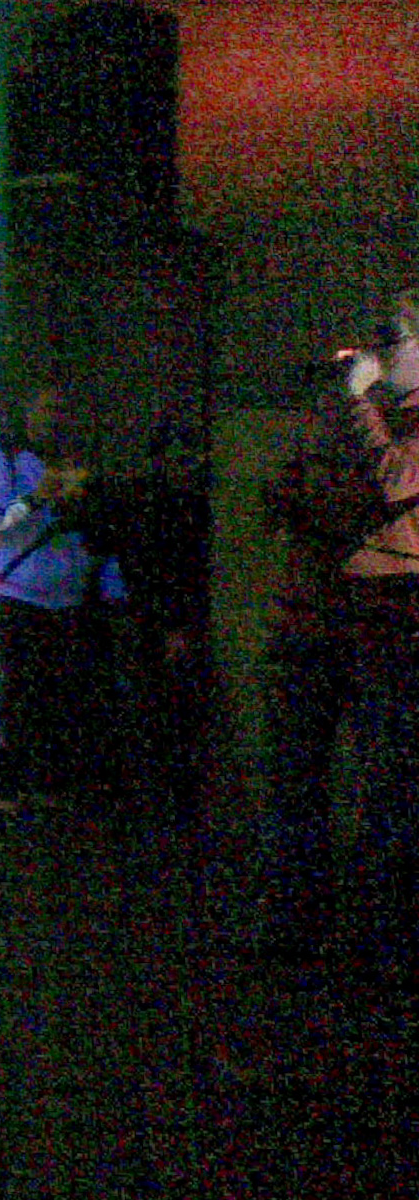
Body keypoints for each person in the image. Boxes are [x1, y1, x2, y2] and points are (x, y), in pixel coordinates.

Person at [265, 292, 419, 971]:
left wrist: (357, 408)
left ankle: (384, 942)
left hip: (388, 617)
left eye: (395, 338)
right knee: (296, 782)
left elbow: (395, 483)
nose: (376, 352)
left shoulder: (378, 416)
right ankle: (298, 929)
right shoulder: (353, 414)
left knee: (390, 785)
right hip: (318, 615)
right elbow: (285, 492)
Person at [0, 384, 126, 814]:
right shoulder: (4, 460)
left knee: (59, 697)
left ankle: (47, 783)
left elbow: (102, 534)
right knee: (19, 694)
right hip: (20, 594)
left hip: (71, 597)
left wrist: (112, 590)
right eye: (46, 409)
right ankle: (7, 786)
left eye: (62, 409)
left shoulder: (82, 465)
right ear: (27, 413)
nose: (54, 418)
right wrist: (36, 498)